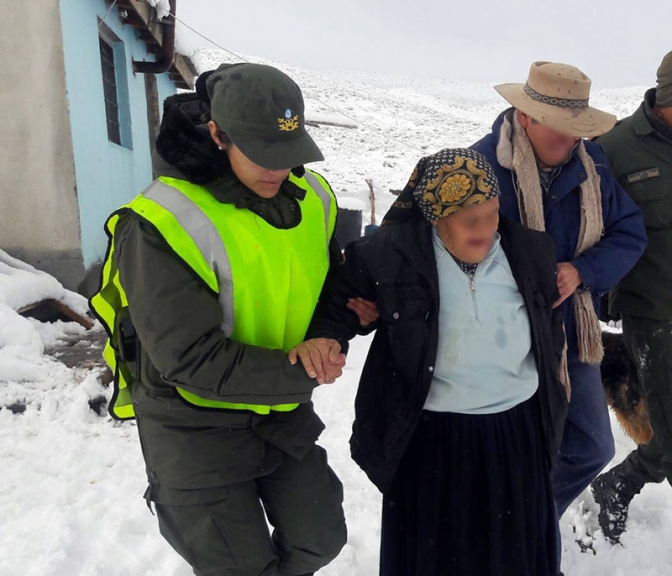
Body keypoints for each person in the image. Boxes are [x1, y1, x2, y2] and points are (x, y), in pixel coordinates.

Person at [90, 63, 349, 576]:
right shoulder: (160, 222)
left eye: (289, 153)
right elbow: (190, 358)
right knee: (239, 566)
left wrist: (326, 335)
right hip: (191, 424)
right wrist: (301, 371)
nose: (279, 170)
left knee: (321, 539)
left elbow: (332, 287)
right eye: (263, 154)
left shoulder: (313, 196)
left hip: (275, 415)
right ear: (217, 133)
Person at [294, 148, 570, 575]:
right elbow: (337, 305)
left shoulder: (530, 251)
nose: (486, 229)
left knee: (513, 556)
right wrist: (327, 337)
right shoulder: (388, 255)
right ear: (438, 217)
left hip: (515, 432)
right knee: (434, 558)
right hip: (431, 437)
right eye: (469, 220)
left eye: (492, 214)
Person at [470, 61, 647, 522]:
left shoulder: (594, 168)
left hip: (573, 335)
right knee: (516, 452)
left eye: (576, 130)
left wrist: (581, 270)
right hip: (502, 342)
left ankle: (526, 528)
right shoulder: (478, 167)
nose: (568, 140)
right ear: (524, 116)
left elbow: (629, 232)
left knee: (591, 447)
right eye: (558, 128)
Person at [591, 50, 672, 544]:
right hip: (653, 314)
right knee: (666, 435)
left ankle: (622, 481)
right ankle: (617, 485)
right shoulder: (614, 148)